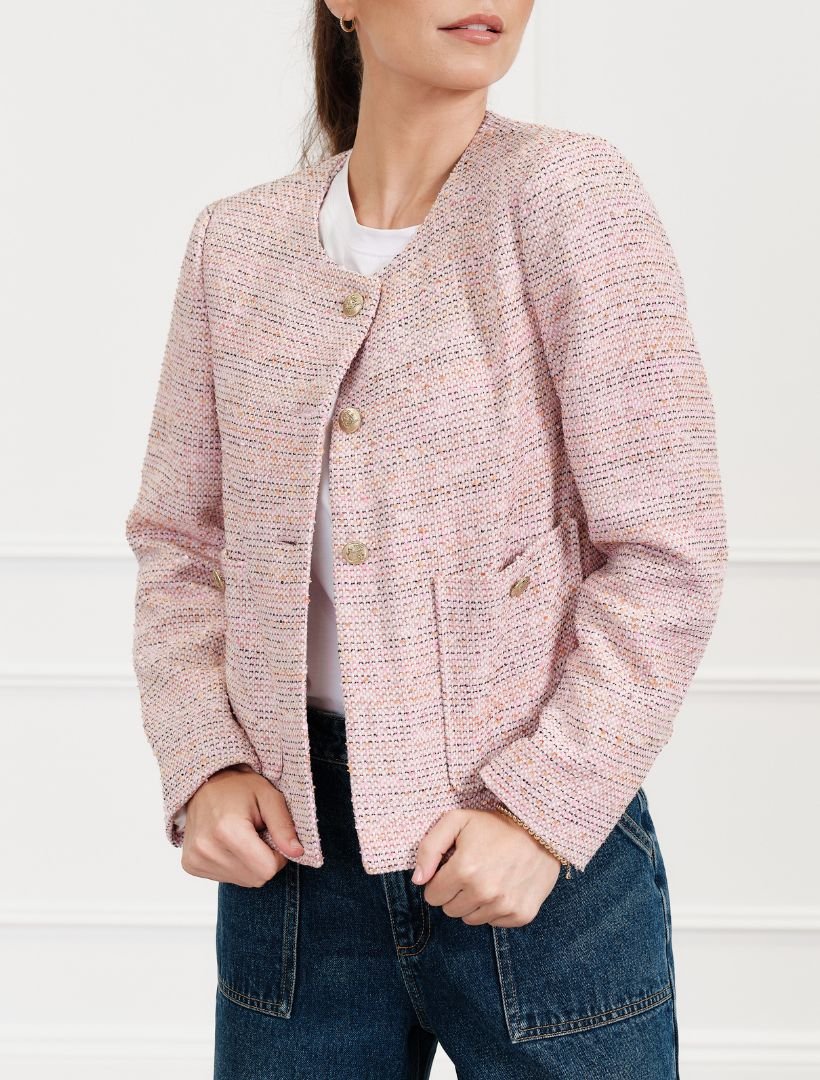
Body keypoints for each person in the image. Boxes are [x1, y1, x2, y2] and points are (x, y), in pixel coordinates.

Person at [125, 2, 727, 1076]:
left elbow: (665, 551)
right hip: (291, 867)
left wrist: (540, 814)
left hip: (536, 865)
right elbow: (180, 542)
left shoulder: (567, 195)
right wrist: (204, 759)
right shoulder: (238, 243)